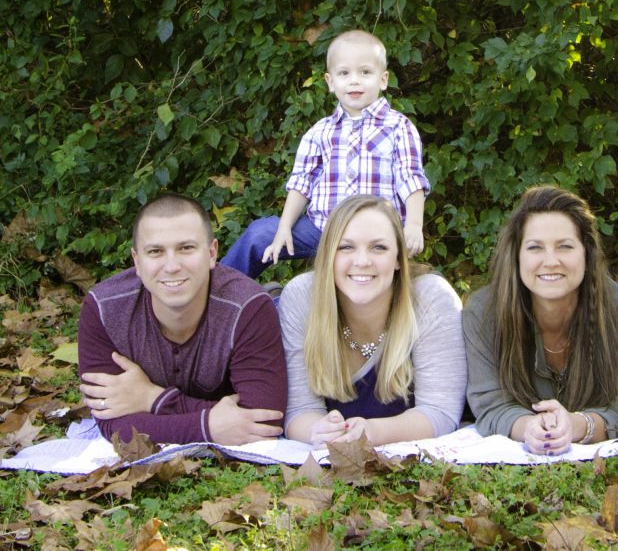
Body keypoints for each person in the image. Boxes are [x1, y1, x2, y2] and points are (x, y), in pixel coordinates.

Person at [78, 194, 287, 445]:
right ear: (137, 261)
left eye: (186, 248)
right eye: (155, 251)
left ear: (212, 253)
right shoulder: (103, 308)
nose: (172, 265)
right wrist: (206, 426)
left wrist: (152, 399)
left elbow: (263, 423)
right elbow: (112, 424)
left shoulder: (248, 308)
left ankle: (277, 299)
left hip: (252, 313)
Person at [221, 29, 430, 279]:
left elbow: (411, 179)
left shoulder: (398, 127)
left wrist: (414, 225)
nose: (354, 81)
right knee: (260, 234)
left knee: (387, 284)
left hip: (377, 237)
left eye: (365, 72)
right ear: (331, 82)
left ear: (383, 79)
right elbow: (302, 183)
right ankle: (214, 295)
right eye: (344, 73)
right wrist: (285, 227)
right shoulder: (320, 131)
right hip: (322, 230)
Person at [464, 186, 618, 456]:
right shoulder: (483, 312)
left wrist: (577, 425)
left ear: (587, 253)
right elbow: (490, 404)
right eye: (535, 247)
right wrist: (530, 428)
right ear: (517, 256)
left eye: (565, 246)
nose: (550, 261)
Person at [279, 195, 465, 447]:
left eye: (379, 247)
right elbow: (299, 409)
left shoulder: (431, 299)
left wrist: (371, 432)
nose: (362, 261)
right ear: (327, 256)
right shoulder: (302, 298)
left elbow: (440, 411)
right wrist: (318, 430)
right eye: (346, 247)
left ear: (399, 258)